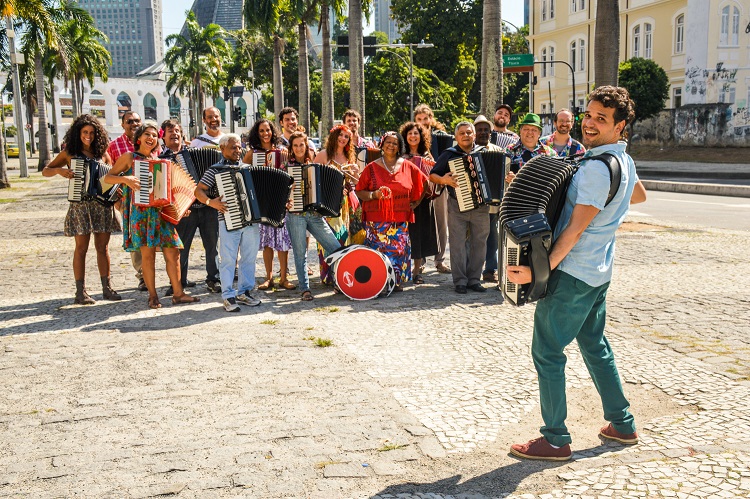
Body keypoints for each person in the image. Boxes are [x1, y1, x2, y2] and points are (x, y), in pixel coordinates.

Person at [507, 85, 648, 461]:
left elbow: (573, 232)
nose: (589, 123)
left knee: (548, 351)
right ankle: (622, 423)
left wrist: (536, 274)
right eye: (588, 115)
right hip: (599, 273)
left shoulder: (595, 171)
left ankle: (555, 439)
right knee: (594, 345)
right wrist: (610, 212)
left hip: (573, 274)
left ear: (620, 127)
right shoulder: (622, 160)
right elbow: (639, 196)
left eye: (601, 119)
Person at [104, 121, 199, 309]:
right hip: (141, 215)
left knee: (173, 253)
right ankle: (153, 296)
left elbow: (167, 191)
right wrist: (125, 179)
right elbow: (106, 179)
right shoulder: (129, 158)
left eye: (155, 135)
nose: (151, 138)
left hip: (161, 214)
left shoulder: (160, 161)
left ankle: (178, 293)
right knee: (148, 257)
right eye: (147, 134)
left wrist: (179, 208)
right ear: (138, 138)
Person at [43, 114, 122, 304]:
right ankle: (80, 292)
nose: (89, 136)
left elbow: (109, 178)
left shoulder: (103, 154)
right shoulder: (69, 153)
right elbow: (46, 171)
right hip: (80, 205)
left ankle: (107, 288)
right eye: (85, 132)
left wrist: (115, 190)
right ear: (78, 133)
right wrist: (59, 171)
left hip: (102, 206)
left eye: (92, 133)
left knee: (103, 248)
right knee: (81, 249)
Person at [195, 134, 263, 312]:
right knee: (228, 259)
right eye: (233, 147)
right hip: (227, 220)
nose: (238, 150)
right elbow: (198, 191)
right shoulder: (214, 170)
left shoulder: (248, 169)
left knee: (249, 258)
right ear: (222, 149)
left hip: (250, 222)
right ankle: (228, 295)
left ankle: (245, 292)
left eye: (239, 147)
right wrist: (211, 202)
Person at [355, 131, 426, 291]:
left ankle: (396, 281)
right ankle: (379, 280)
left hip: (400, 219)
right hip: (376, 219)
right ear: (382, 143)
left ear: (399, 147)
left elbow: (424, 182)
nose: (391, 145)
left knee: (398, 251)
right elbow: (359, 190)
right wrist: (373, 194)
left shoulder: (407, 166)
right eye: (388, 142)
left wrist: (416, 202)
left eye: (395, 143)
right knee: (378, 251)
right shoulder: (371, 168)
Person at [158, 119, 219, 296]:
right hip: (183, 211)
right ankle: (178, 282)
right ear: (163, 137)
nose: (174, 134)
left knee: (212, 245)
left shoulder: (196, 153)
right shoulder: (161, 160)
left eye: (177, 130)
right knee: (180, 248)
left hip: (207, 207)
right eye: (170, 131)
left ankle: (213, 279)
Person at [429, 122, 490, 294]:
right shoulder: (449, 154)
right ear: (456, 137)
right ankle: (460, 281)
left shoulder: (484, 153)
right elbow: (433, 175)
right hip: (457, 205)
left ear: (474, 135)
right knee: (457, 243)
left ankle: (474, 280)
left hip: (481, 206)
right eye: (462, 133)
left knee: (479, 243)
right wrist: (444, 181)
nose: (465, 135)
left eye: (469, 132)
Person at [285, 131, 342, 301]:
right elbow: (280, 193)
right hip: (296, 214)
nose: (298, 148)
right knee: (300, 252)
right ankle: (305, 289)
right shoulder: (286, 166)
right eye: (295, 145)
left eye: (301, 144)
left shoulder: (317, 164)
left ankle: (339, 282)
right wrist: (287, 197)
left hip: (315, 214)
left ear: (306, 145)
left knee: (334, 247)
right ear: (291, 147)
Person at [242, 119, 295, 291]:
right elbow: (242, 175)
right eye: (261, 131)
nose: (265, 134)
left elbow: (290, 175)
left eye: (268, 130)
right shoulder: (252, 154)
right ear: (257, 134)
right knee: (266, 241)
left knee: (282, 240)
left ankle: (284, 278)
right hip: (261, 201)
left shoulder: (283, 152)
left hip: (279, 200)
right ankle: (268, 277)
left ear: (273, 131)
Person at [313, 124, 361, 285]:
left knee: (344, 237)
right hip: (328, 204)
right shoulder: (324, 155)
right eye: (340, 135)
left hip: (346, 204)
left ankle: (342, 273)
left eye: (346, 137)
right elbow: (312, 178)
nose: (343, 139)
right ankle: (328, 275)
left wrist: (354, 172)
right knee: (328, 238)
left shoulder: (349, 157)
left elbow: (355, 182)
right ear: (334, 136)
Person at [107, 110, 145, 291]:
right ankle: (142, 274)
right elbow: (107, 175)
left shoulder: (149, 142)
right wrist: (116, 201)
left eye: (137, 121)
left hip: (150, 201)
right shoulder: (114, 146)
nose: (134, 124)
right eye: (129, 121)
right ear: (122, 124)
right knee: (135, 239)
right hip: (128, 202)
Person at [400, 121, 438, 285]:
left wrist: (418, 200)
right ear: (405, 136)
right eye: (409, 133)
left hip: (421, 202)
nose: (413, 136)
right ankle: (401, 269)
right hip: (402, 202)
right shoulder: (399, 155)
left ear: (421, 136)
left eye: (416, 133)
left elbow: (431, 178)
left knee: (418, 236)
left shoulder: (427, 156)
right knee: (402, 236)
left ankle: (416, 271)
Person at [414, 104, 451, 275]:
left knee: (442, 224)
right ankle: (419, 261)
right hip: (417, 189)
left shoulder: (441, 138)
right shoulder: (412, 137)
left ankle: (440, 261)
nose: (422, 122)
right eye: (419, 119)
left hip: (439, 186)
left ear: (431, 119)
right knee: (419, 224)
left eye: (425, 118)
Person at [473, 115, 504, 284]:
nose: (483, 133)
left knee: (493, 236)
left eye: (486, 130)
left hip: (493, 202)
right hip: (472, 202)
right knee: (472, 238)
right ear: (474, 132)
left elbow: (503, 174)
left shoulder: (498, 151)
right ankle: (472, 270)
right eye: (480, 130)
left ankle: (490, 269)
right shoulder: (468, 150)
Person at [506, 113, 557, 177]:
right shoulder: (509, 150)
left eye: (534, 130)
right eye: (526, 129)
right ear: (520, 131)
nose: (530, 132)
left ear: (539, 133)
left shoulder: (550, 153)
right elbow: (501, 174)